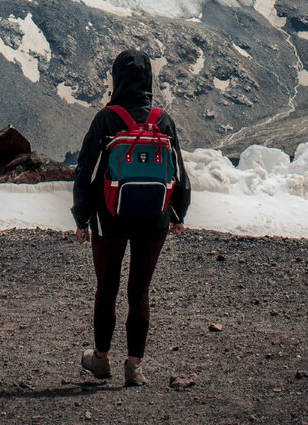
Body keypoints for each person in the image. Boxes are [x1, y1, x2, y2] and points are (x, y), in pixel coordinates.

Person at [72, 48, 191, 387]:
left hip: (110, 218)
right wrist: (178, 214)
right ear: (148, 79)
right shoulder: (162, 120)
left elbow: (85, 174)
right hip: (154, 219)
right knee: (139, 291)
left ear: (117, 78)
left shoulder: (107, 119)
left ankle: (101, 359)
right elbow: (179, 173)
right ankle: (135, 366)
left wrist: (82, 219)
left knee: (107, 288)